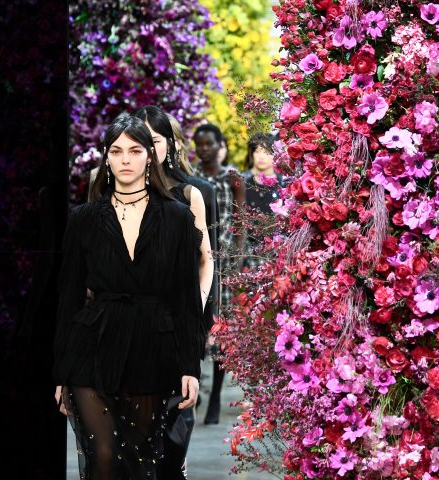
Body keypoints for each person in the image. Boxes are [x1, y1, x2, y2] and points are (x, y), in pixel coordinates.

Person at [54, 113, 205, 479]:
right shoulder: (84, 218)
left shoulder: (177, 218)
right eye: (116, 151)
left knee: (141, 462)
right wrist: (59, 373)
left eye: (134, 150)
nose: (125, 159)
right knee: (103, 457)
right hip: (93, 344)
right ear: (106, 157)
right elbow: (68, 297)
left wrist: (190, 367)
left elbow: (186, 298)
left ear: (149, 157)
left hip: (154, 347)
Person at [134, 105, 218, 476]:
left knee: (174, 431)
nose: (148, 152)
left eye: (154, 142)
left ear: (169, 144)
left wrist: (198, 309)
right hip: (127, 324)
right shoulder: (110, 194)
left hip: (179, 324)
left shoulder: (190, 194)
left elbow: (206, 260)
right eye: (139, 143)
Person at [193, 122, 245, 424]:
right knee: (198, 324)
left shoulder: (231, 177)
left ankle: (214, 399)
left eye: (209, 143)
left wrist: (237, 258)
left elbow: (240, 219)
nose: (204, 149)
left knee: (221, 329)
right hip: (198, 258)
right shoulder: (192, 178)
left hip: (224, 259)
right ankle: (196, 387)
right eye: (199, 144)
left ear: (219, 144)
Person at [242, 132, 282, 270]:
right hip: (250, 257)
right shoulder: (243, 185)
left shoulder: (284, 185)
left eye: (266, 152)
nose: (261, 156)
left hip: (278, 256)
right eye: (257, 151)